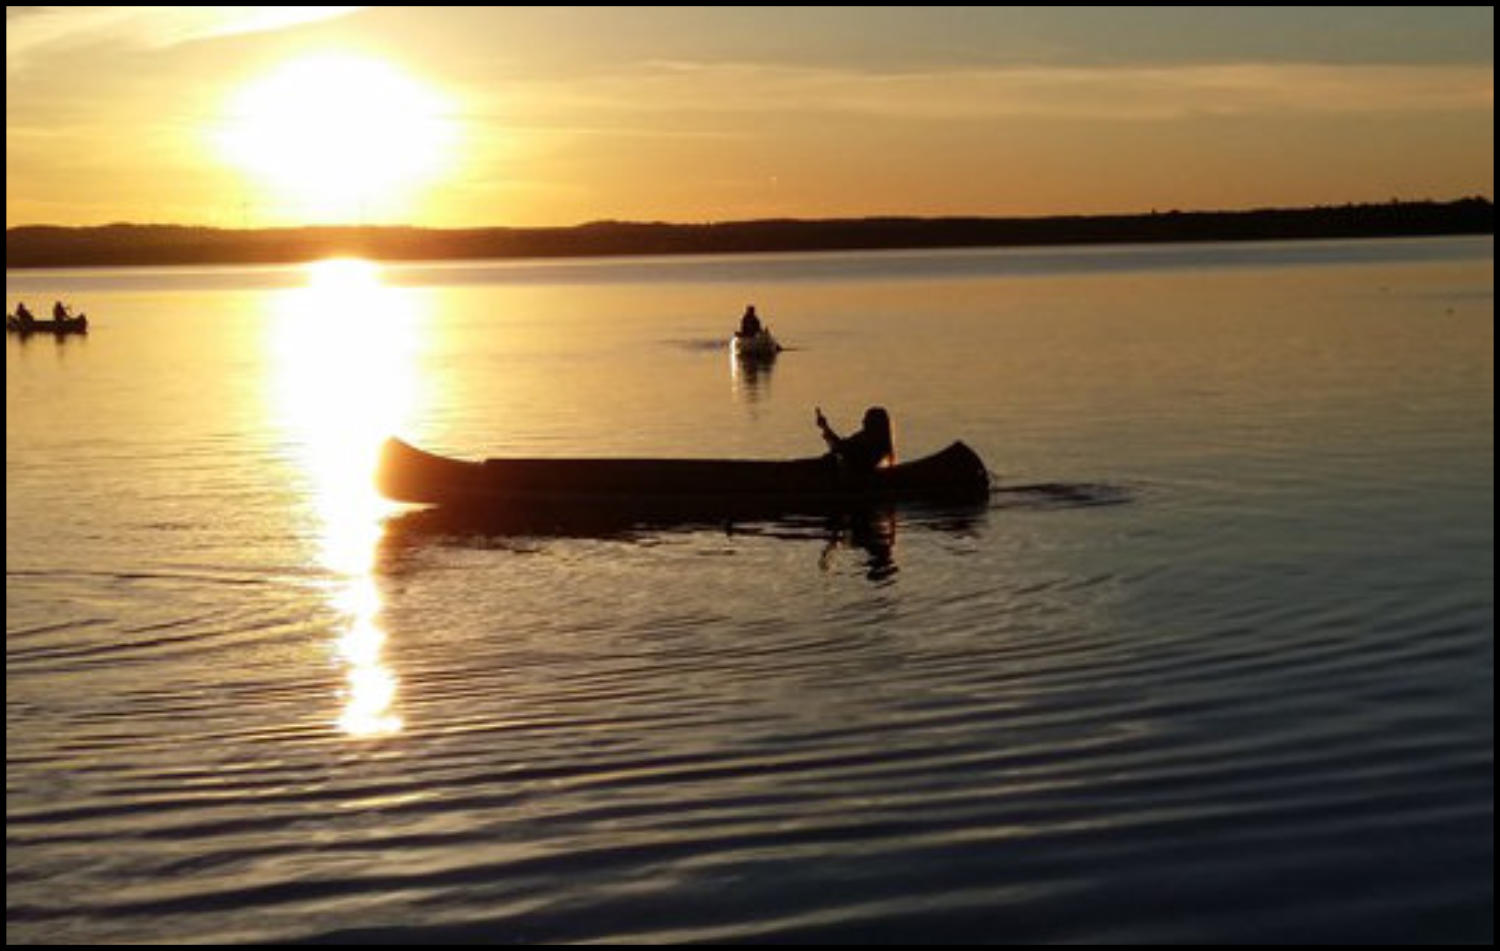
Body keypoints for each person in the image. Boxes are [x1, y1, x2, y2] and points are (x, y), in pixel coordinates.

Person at [815, 405, 895, 476]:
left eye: (867, 419)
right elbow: (842, 446)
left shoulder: (869, 443)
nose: (863, 421)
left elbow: (843, 448)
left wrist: (825, 427)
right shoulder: (868, 439)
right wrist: (825, 428)